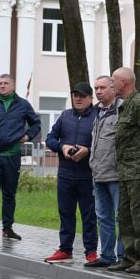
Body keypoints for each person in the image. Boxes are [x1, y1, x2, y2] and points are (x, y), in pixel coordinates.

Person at [108, 67, 140, 274]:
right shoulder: (125, 105)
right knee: (125, 216)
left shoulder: (139, 104)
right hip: (125, 171)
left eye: (113, 80)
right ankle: (129, 257)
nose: (111, 84)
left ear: (124, 82)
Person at [44, 82, 98, 264]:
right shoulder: (65, 116)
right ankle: (65, 249)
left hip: (88, 175)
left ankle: (91, 251)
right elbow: (50, 139)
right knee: (66, 213)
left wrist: (87, 151)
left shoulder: (97, 117)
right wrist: (62, 147)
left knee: (89, 215)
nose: (78, 98)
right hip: (65, 174)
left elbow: (104, 145)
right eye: (75, 95)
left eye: (82, 96)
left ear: (90, 98)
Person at [0, 74, 40, 240]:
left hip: (13, 156)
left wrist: (28, 136)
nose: (2, 86)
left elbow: (36, 123)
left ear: (13, 86)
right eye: (0, 83)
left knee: (9, 194)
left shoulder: (23, 104)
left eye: (5, 83)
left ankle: (7, 228)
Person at [88, 75, 122, 268]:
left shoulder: (121, 109)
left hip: (116, 174)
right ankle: (107, 256)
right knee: (103, 217)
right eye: (96, 88)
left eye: (102, 88)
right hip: (98, 173)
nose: (98, 92)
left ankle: (123, 257)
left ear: (113, 88)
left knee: (120, 217)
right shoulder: (97, 111)